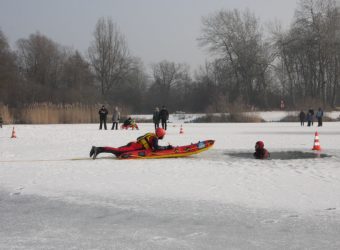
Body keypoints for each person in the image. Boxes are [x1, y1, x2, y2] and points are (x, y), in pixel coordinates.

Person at [90, 128, 173, 159]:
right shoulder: (155, 138)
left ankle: (98, 149)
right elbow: (156, 148)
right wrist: (167, 148)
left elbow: (138, 138)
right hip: (134, 147)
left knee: (117, 151)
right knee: (117, 151)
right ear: (160, 135)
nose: (163, 136)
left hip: (133, 144)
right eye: (163, 135)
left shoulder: (151, 134)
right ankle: (98, 149)